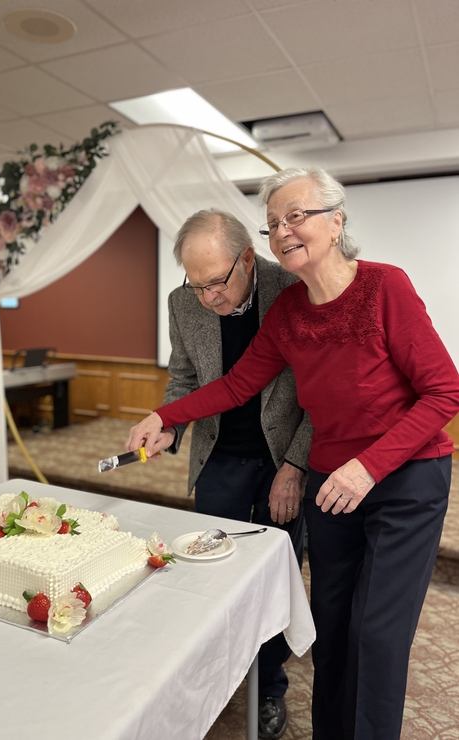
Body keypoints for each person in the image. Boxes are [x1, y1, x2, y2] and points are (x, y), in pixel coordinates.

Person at [126, 168, 459, 740]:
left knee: (375, 633)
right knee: (329, 624)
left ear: (336, 220)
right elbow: (235, 386)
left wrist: (368, 465)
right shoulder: (289, 313)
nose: (283, 230)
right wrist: (164, 417)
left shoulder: (386, 286)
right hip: (331, 483)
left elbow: (444, 392)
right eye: (275, 221)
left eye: (296, 215)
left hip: (405, 478)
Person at [153, 209, 312, 740]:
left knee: (270, 588)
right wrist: (170, 428)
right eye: (195, 285)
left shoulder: (293, 288)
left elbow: (320, 394)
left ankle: (267, 691)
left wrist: (295, 465)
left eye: (215, 283)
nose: (206, 298)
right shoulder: (183, 301)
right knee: (210, 582)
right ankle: (214, 680)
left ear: (247, 258)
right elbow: (184, 377)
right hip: (219, 457)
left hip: (282, 458)